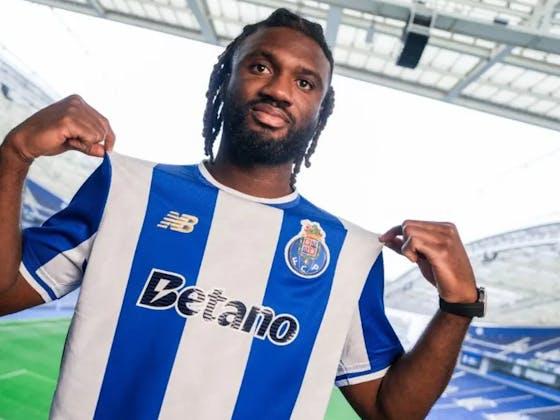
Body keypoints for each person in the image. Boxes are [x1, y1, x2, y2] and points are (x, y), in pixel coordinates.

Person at [0, 8, 483, 420]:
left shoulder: (348, 255)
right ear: (224, 79)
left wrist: (458, 306)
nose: (279, 90)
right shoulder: (127, 189)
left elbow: (389, 409)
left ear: (321, 111)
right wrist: (15, 155)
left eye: (304, 82)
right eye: (260, 67)